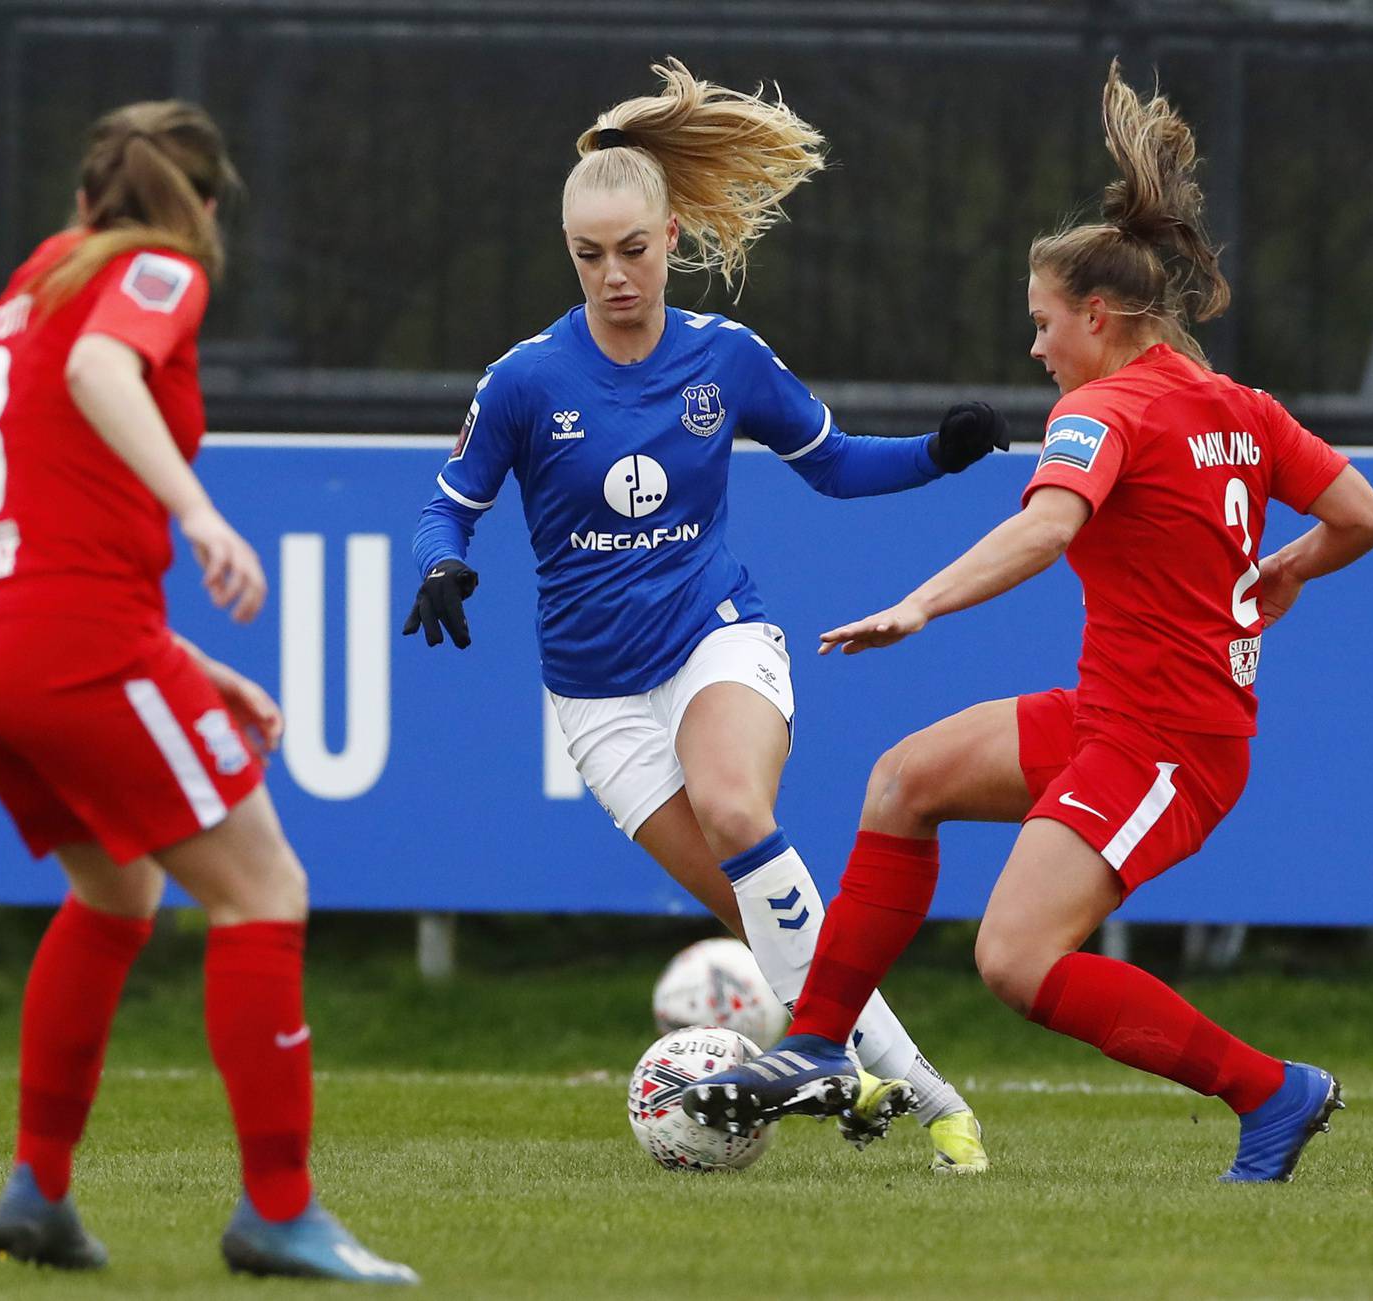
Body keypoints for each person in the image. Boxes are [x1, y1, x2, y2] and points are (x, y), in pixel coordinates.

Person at [689, 61, 1373, 1185]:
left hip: (1171, 739)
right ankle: (819, 1041)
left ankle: (1272, 1090)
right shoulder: (1237, 406)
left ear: (1097, 316)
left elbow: (1047, 529)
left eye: (1043, 324)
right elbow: (1365, 514)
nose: (1036, 349)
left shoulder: (1100, 404)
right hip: (1119, 713)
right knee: (903, 779)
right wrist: (1284, 569)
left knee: (1015, 958)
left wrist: (919, 603)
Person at [405, 58, 1001, 1173]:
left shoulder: (725, 360)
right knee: (769, 930)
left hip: (714, 632)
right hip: (598, 702)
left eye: (633, 250)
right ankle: (933, 1103)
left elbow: (834, 465)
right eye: (590, 256)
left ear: (673, 236)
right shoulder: (526, 381)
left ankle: (845, 1064)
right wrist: (440, 568)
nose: (614, 275)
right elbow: (449, 506)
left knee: (737, 805)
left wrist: (939, 453)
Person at [0, 101, 417, 1283]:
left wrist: (183, 660)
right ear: (200, 203)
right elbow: (104, 371)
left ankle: (38, 1190)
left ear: (84, 198)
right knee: (263, 885)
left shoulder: (33, 279)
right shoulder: (158, 265)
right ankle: (279, 1211)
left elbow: (40, 499)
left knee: (116, 883)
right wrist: (200, 518)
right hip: (67, 639)